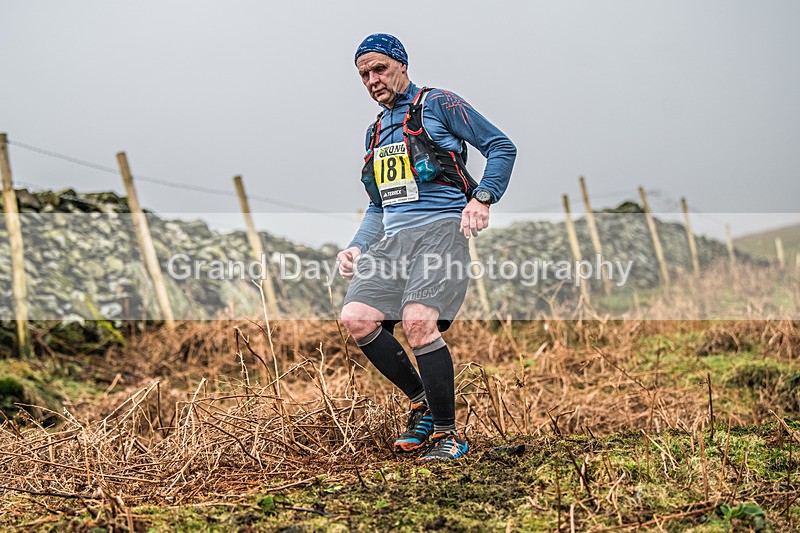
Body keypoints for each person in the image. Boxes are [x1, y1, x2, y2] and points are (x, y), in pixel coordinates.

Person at [338, 34, 516, 460]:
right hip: (393, 242)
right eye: (363, 74)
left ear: (402, 64)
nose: (372, 80)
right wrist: (357, 246)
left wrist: (483, 196)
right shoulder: (376, 130)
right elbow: (378, 204)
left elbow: (501, 147)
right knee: (357, 318)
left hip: (440, 232)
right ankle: (421, 402)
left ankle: (447, 434)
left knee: (418, 323)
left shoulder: (439, 104)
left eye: (379, 69)